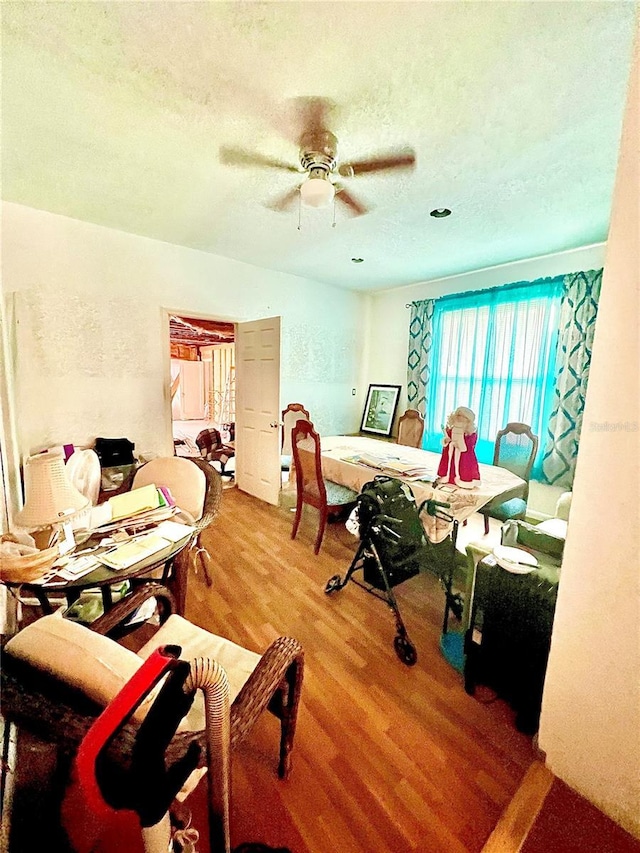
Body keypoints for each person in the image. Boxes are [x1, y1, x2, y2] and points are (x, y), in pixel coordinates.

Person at [436, 406, 481, 488]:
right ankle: (448, 477)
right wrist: (446, 441)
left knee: (463, 468)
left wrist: (460, 445)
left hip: (464, 457)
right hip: (451, 453)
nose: (460, 418)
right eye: (459, 416)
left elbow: (470, 445)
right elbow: (447, 438)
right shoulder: (452, 429)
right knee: (449, 465)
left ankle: (464, 481)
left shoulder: (470, 432)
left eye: (463, 417)